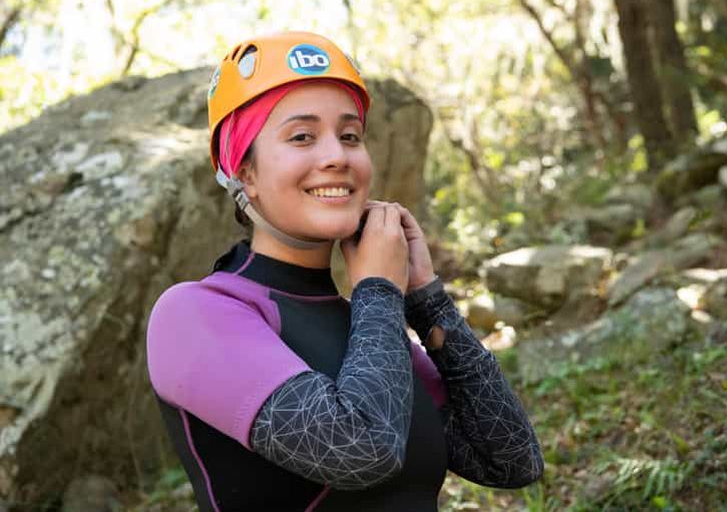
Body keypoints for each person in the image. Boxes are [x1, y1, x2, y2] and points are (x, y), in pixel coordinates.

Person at [145, 30, 543, 512]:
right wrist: (378, 288)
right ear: (244, 172)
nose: (337, 156)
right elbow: (360, 451)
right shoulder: (194, 315)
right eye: (302, 137)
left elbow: (510, 459)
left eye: (350, 135)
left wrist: (425, 298)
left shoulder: (367, 327)